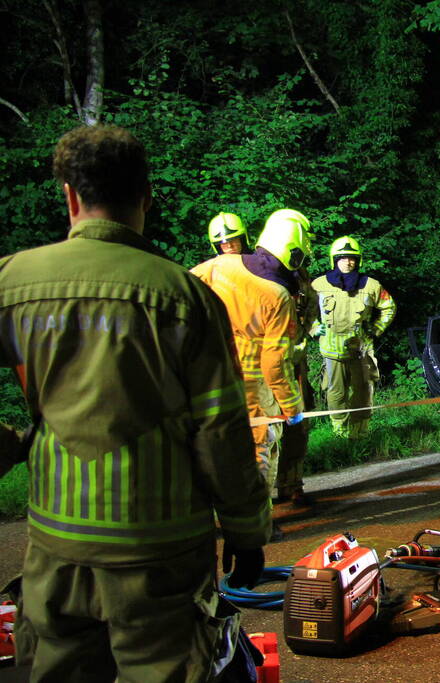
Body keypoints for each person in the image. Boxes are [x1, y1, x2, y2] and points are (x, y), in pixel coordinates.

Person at [0, 124, 270, 680]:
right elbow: (221, 432)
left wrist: (11, 444)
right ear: (146, 196)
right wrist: (247, 530)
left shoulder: (12, 282)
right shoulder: (183, 296)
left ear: (70, 196)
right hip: (160, 552)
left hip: (58, 543)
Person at [191, 209, 310, 500]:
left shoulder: (206, 271)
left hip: (207, 382)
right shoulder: (276, 294)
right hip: (254, 390)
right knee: (260, 448)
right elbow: (274, 364)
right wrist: (293, 407)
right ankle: (256, 522)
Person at [311, 236, 396, 438]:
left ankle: (360, 432)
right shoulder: (318, 284)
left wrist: (376, 329)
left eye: (352, 258)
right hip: (332, 350)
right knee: (336, 393)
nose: (347, 262)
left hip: (361, 350)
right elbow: (303, 310)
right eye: (342, 258)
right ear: (334, 260)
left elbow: (388, 307)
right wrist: (313, 327)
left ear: (358, 260)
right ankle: (340, 432)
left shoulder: (371, 285)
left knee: (364, 392)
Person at [275, 266, 318, 506]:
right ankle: (259, 495)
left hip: (295, 367)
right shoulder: (254, 276)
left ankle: (291, 484)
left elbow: (310, 307)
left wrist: (299, 344)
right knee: (266, 433)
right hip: (262, 367)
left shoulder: (300, 280)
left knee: (298, 428)